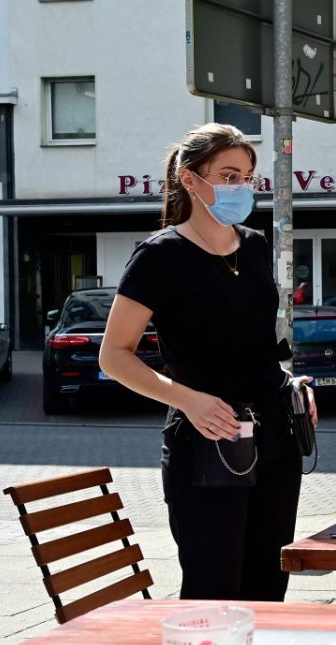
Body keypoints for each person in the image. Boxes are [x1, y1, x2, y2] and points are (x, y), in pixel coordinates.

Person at [98, 122, 317, 602]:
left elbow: (256, 344)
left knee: (267, 582)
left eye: (248, 177)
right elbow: (113, 356)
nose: (242, 187)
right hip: (208, 440)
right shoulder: (159, 256)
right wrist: (188, 400)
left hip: (276, 436)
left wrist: (291, 384)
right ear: (191, 180)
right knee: (214, 592)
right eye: (229, 175)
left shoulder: (256, 246)